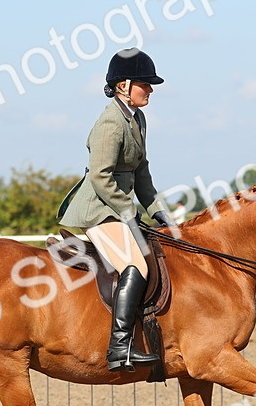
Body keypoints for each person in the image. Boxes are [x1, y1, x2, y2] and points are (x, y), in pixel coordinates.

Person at [57, 47, 174, 371]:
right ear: (123, 85)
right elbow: (100, 175)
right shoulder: (111, 122)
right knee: (136, 266)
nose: (150, 89)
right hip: (98, 208)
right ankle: (119, 349)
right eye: (144, 83)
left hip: (116, 207)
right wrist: (128, 210)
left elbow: (142, 172)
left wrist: (158, 211)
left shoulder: (137, 118)